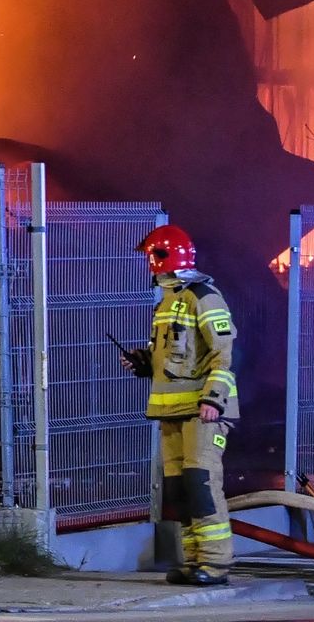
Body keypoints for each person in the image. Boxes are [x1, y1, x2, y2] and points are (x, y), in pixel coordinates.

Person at [124, 224, 238, 586]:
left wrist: (213, 400)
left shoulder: (203, 296)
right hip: (170, 412)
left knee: (201, 484)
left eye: (151, 257)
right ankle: (193, 562)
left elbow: (222, 354)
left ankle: (216, 565)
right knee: (179, 491)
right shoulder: (167, 302)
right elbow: (172, 357)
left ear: (165, 257)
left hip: (202, 412)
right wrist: (145, 362)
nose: (148, 265)